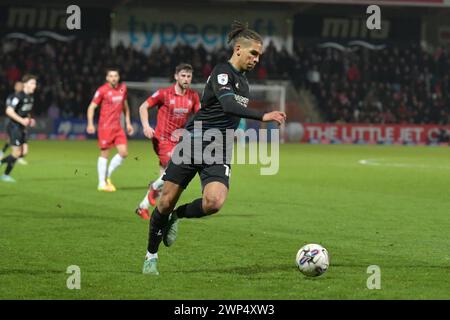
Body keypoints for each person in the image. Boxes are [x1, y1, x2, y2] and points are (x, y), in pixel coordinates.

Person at [142, 21, 286, 275]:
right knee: (164, 202)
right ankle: (151, 255)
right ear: (238, 48)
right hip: (194, 141)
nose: (257, 59)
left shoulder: (245, 82)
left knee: (214, 202)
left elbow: (234, 115)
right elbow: (229, 105)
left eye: (259, 56)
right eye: (253, 53)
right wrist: (263, 116)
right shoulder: (222, 72)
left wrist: (238, 130)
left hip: (219, 148)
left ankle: (177, 217)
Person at [135, 63, 200, 220]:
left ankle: (142, 207)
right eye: (183, 76)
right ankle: (154, 188)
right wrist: (145, 126)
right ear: (176, 76)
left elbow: (199, 117)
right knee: (175, 168)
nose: (186, 79)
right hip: (162, 139)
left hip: (179, 141)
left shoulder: (193, 96)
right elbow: (143, 107)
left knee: (168, 181)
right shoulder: (164, 94)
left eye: (188, 76)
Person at [86, 68, 134, 192]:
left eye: (115, 75)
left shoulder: (123, 88)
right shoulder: (102, 90)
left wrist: (128, 123)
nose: (113, 78)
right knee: (105, 154)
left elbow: (125, 107)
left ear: (118, 77)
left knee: (123, 153)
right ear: (107, 78)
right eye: (111, 76)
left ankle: (106, 175)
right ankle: (101, 183)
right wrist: (90, 124)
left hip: (118, 127)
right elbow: (91, 107)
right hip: (105, 127)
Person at [0, 75, 37, 182]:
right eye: (32, 83)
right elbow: (9, 111)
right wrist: (21, 120)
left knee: (23, 152)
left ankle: (5, 174)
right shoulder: (18, 96)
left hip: (21, 128)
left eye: (35, 83)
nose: (34, 86)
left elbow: (25, 113)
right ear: (25, 84)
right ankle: (5, 172)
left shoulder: (30, 97)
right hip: (14, 127)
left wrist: (30, 120)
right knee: (16, 153)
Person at [0, 81, 29, 165]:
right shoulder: (12, 97)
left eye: (22, 86)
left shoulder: (25, 97)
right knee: (11, 140)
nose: (21, 87)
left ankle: (15, 156)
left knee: (14, 140)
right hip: (12, 122)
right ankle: (10, 155)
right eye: (19, 86)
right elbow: (9, 109)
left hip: (21, 123)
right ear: (15, 87)